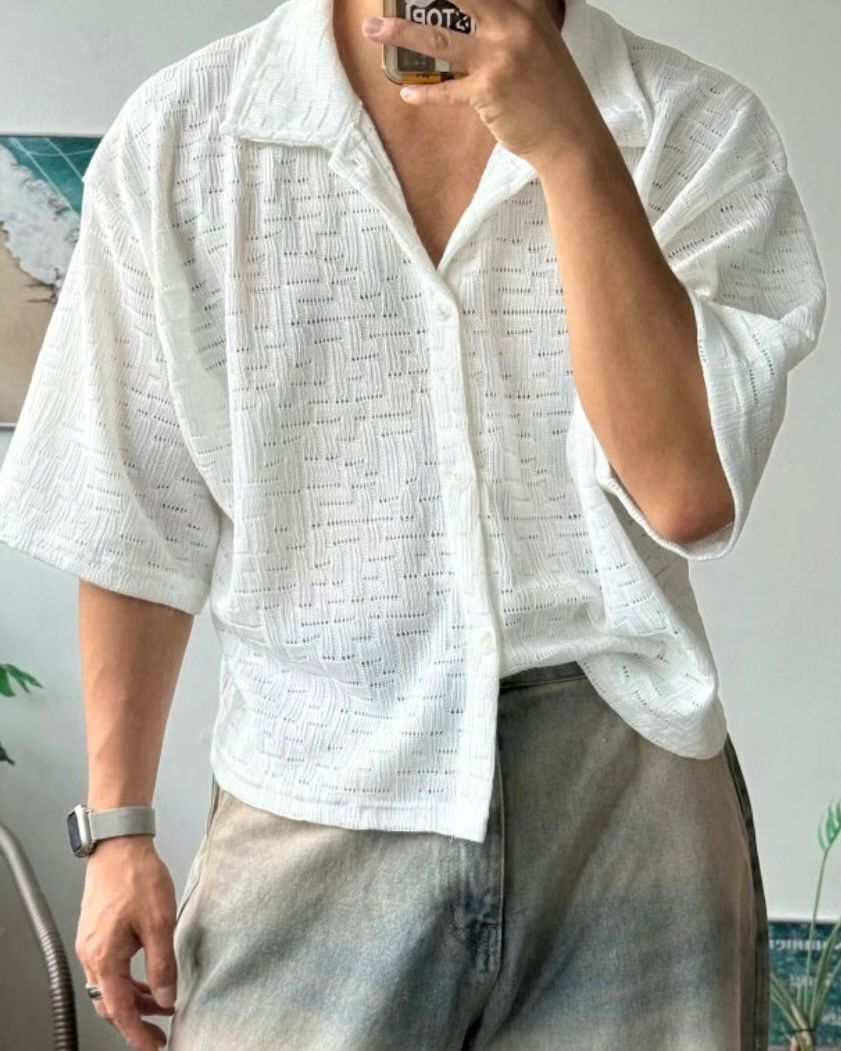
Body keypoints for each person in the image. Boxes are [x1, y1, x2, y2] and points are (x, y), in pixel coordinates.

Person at [0, 0, 826, 1047]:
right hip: (312, 783)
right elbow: (136, 509)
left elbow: (686, 489)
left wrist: (574, 149)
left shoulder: (693, 129)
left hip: (625, 805)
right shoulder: (185, 137)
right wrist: (117, 832)